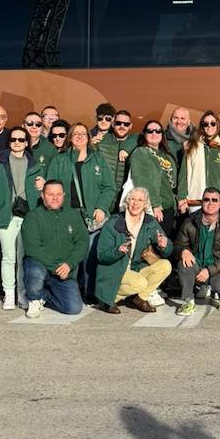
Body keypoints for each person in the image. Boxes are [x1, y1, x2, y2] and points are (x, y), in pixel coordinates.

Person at [46, 121, 115, 298]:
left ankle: (90, 293)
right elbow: (51, 189)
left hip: (93, 217)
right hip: (69, 216)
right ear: (70, 137)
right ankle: (71, 293)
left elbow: (109, 187)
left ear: (88, 138)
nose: (79, 136)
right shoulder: (60, 160)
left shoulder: (98, 160)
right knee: (71, 256)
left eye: (83, 133)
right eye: (75, 133)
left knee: (90, 257)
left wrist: (101, 207)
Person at [0, 126, 42, 310]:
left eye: (21, 140)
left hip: (28, 217)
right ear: (9, 142)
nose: (17, 143)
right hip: (6, 215)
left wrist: (42, 186)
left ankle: (22, 294)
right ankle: (9, 294)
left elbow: (43, 193)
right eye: (13, 140)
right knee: (9, 257)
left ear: (27, 143)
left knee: (23, 257)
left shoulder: (36, 166)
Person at [94, 186, 172, 314]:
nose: (136, 203)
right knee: (140, 283)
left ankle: (140, 299)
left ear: (146, 204)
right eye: (132, 199)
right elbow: (101, 255)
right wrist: (118, 251)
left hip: (136, 268)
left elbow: (168, 250)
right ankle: (108, 299)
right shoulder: (113, 223)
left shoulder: (149, 222)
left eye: (140, 200)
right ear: (127, 201)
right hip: (115, 269)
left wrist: (164, 245)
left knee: (166, 265)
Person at [20, 180, 89, 319]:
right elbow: (33, 249)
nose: (55, 198)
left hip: (65, 270)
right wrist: (56, 267)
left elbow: (83, 242)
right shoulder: (33, 217)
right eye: (50, 194)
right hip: (42, 266)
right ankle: (34, 298)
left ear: (64, 195)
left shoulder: (73, 215)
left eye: (58, 194)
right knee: (34, 268)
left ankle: (43, 295)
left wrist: (69, 264)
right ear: (43, 195)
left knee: (74, 308)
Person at [173, 188, 220, 315]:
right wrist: (183, 250)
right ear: (201, 202)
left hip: (217, 267)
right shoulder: (190, 221)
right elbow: (178, 244)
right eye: (206, 200)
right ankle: (188, 301)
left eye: (214, 200)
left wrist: (210, 270)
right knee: (183, 264)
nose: (210, 203)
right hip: (197, 266)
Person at [126, 121, 178, 234]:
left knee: (163, 246)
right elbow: (142, 180)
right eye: (150, 131)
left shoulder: (167, 155)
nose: (154, 133)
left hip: (169, 209)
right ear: (144, 134)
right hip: (153, 209)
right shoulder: (140, 152)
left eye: (158, 131)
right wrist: (155, 204)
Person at [178, 112, 220, 217]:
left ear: (218, 125)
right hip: (195, 201)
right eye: (205, 124)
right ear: (201, 126)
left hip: (217, 202)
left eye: (213, 123)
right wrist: (181, 197)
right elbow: (183, 175)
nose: (209, 126)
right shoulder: (191, 146)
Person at [164, 106, 192, 171]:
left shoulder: (196, 141)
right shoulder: (161, 139)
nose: (179, 122)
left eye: (182, 118)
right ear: (171, 120)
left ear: (189, 122)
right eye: (175, 118)